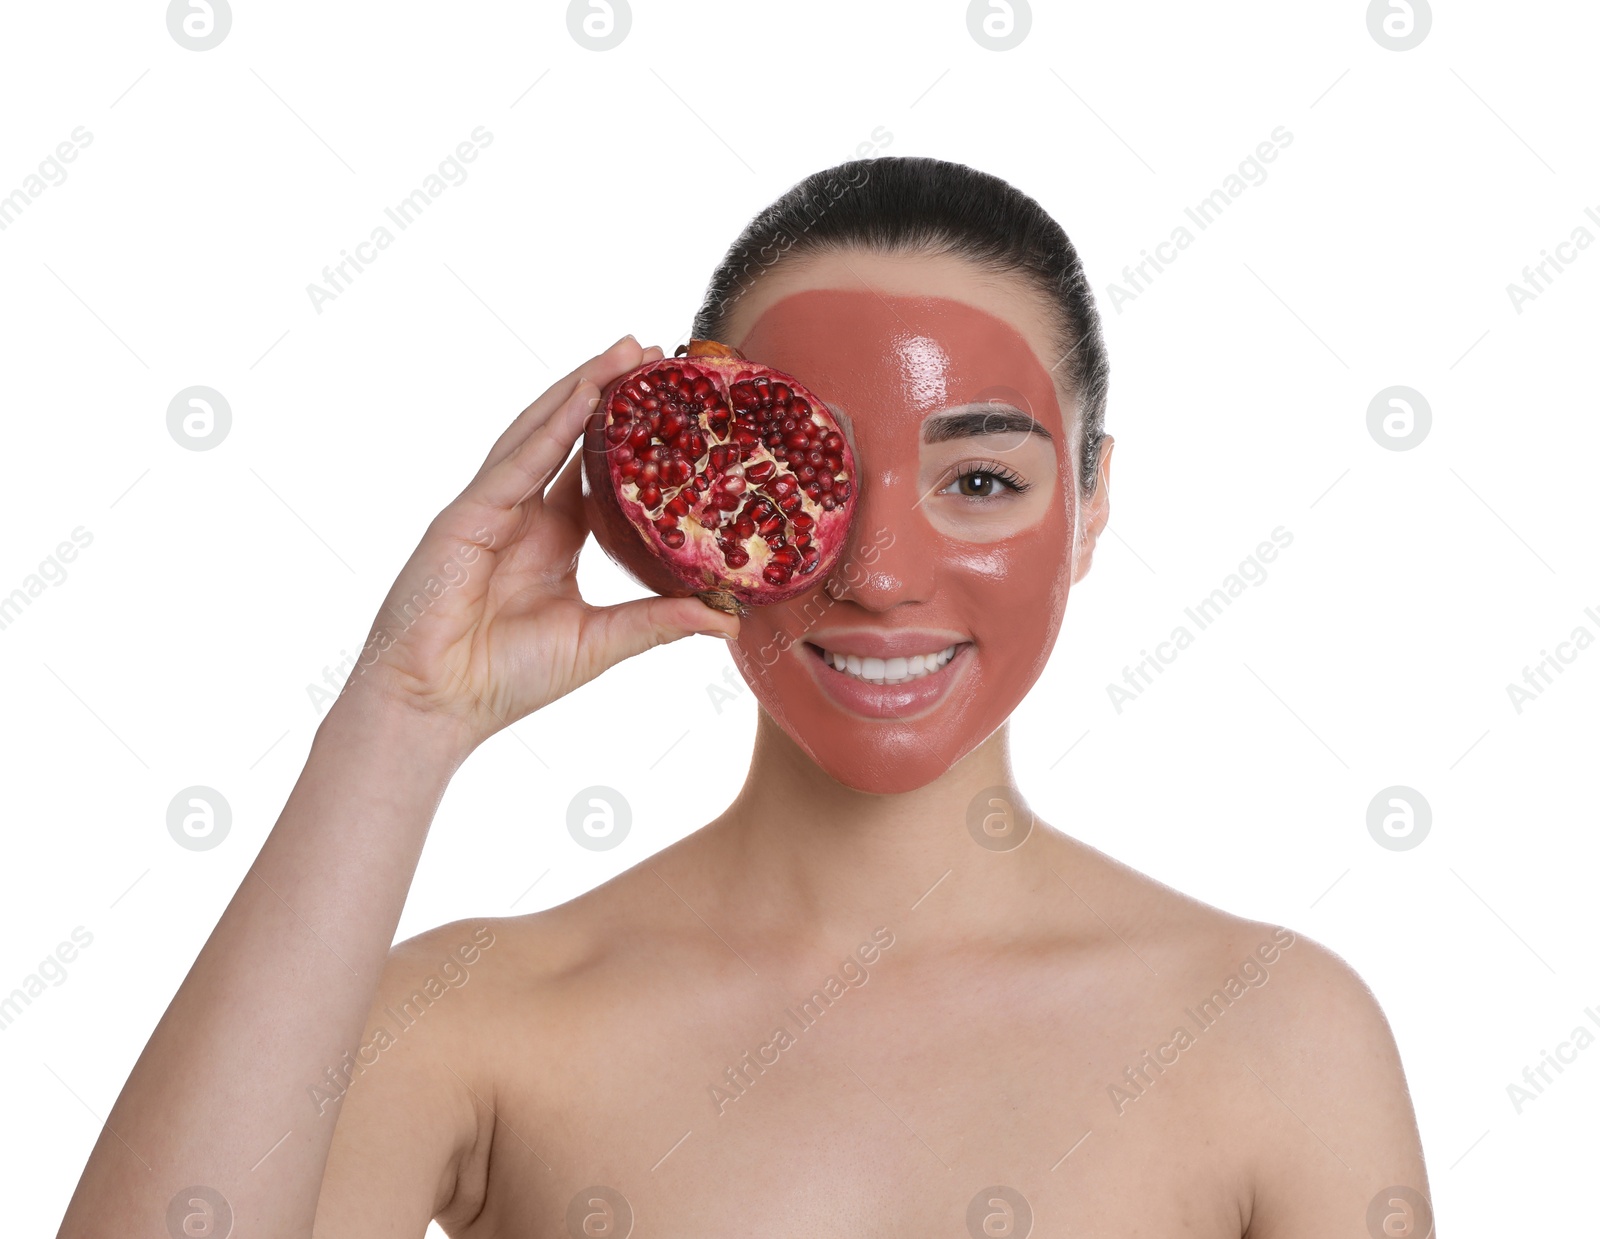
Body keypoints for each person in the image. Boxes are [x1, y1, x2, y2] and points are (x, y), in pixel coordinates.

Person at [61, 157, 1431, 1238]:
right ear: (676, 505)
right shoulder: (481, 1021)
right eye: (805, 483)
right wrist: (399, 722)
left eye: (980, 482)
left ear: (1089, 510)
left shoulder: (1276, 1033)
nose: (885, 579)